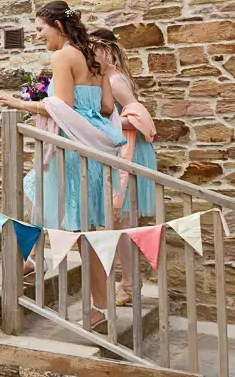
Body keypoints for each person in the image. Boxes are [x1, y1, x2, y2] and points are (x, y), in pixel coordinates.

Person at [0, 1, 125, 329]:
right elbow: (108, 107)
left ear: (59, 27)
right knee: (64, 214)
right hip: (91, 151)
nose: (38, 35)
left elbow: (61, 107)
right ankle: (35, 261)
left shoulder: (63, 56)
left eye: (40, 29)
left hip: (70, 150)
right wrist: (87, 111)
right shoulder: (93, 57)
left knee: (74, 228)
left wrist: (19, 103)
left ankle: (100, 308)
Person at [91, 28, 157, 307]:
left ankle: (130, 283)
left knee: (123, 221)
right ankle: (128, 281)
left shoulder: (115, 79)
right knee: (119, 221)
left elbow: (138, 114)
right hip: (122, 150)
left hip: (131, 153)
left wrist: (106, 124)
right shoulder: (106, 79)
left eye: (92, 51)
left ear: (105, 52)